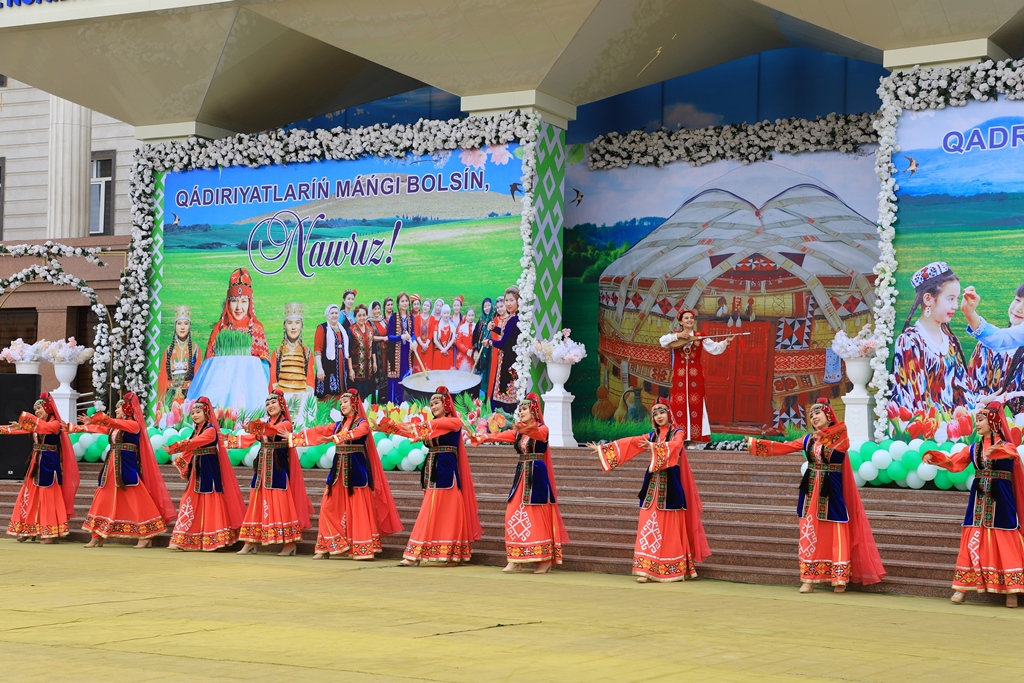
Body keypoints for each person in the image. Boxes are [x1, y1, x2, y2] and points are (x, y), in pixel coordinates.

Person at [747, 398, 885, 593]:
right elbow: (785, 446)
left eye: (818, 413)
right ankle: (809, 579)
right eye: (811, 415)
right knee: (809, 531)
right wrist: (755, 445)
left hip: (832, 490)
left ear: (828, 415)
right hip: (810, 491)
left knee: (836, 529)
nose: (814, 417)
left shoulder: (840, 437)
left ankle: (839, 578)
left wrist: (823, 435)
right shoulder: (808, 439)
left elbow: (840, 437)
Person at [587, 398, 710, 583]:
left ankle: (672, 569)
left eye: (662, 412)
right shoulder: (652, 436)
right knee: (648, 525)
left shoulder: (678, 433)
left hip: (670, 486)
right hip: (652, 485)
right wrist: (604, 450)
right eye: (655, 414)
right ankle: (645, 570)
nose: (659, 417)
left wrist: (654, 447)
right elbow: (631, 443)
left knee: (669, 527)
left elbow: (675, 446)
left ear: (669, 414)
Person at [922, 402, 1024, 607]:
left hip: (1001, 501)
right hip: (978, 500)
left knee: (1005, 539)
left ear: (993, 422)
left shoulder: (1008, 445)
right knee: (972, 540)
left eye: (981, 420)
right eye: (976, 420)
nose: (977, 424)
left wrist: (997, 452)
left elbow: (1010, 454)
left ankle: (1011, 591)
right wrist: (937, 459)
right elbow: (954, 463)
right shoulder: (973, 448)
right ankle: (962, 588)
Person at [378, 386, 481, 566]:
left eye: (436, 403)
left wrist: (399, 426)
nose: (433, 407)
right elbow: (414, 431)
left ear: (446, 404)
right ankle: (444, 553)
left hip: (446, 471)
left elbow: (426, 427)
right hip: (432, 469)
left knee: (443, 512)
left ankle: (420, 554)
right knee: (436, 511)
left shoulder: (453, 422)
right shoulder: (431, 425)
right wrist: (391, 428)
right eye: (431, 404)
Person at [295, 389, 403, 559]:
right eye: (341, 403)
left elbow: (356, 434)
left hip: (356, 473)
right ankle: (328, 545)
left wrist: (335, 438)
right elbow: (319, 431)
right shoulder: (338, 425)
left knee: (358, 510)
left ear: (353, 404)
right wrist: (294, 437)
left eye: (345, 402)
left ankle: (361, 548)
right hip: (337, 473)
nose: (342, 405)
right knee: (327, 506)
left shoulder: (362, 424)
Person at [473, 393, 569, 573]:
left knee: (537, 514)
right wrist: (482, 437)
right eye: (520, 409)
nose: (521, 412)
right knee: (512, 514)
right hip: (521, 474)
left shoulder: (543, 429)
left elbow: (538, 434)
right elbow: (500, 436)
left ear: (534, 411)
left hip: (536, 475)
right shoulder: (518, 431)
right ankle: (516, 557)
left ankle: (544, 559)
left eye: (525, 409)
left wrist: (525, 428)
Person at [76, 393, 177, 548]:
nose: (116, 410)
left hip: (125, 465)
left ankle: (146, 534)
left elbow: (112, 422)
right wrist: (76, 427)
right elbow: (101, 428)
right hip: (111, 466)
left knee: (137, 498)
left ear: (127, 409)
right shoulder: (115, 426)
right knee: (102, 496)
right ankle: (97, 535)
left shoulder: (133, 425)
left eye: (119, 407)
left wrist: (98, 418)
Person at [227, 390, 314, 556]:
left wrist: (253, 428)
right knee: (255, 503)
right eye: (267, 404)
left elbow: (271, 431)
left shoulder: (285, 424)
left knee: (282, 504)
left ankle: (289, 544)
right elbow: (251, 438)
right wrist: (230, 440)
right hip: (261, 470)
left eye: (273, 403)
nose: (270, 406)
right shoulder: (265, 423)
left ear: (281, 405)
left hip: (278, 470)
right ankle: (250, 542)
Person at [892, 262, 976, 415]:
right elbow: (912, 399)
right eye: (950, 299)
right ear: (928, 299)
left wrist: (973, 408)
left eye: (957, 299)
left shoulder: (951, 341)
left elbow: (963, 388)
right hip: (924, 426)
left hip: (954, 425)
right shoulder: (910, 341)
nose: (955, 306)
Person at [165, 397, 246, 551]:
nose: (195, 415)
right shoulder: (196, 431)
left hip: (209, 472)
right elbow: (191, 447)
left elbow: (194, 443)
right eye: (193, 413)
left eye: (198, 412)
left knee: (211, 502)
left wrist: (176, 447)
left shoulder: (210, 430)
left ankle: (214, 539)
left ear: (206, 413)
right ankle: (183, 538)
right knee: (188, 502)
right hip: (196, 472)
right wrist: (181, 460)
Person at [187, 268, 270, 413]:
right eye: (234, 301)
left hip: (248, 394)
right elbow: (209, 368)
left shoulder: (257, 329)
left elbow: (263, 371)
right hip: (222, 395)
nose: (239, 307)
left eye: (243, 301)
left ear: (250, 302)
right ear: (227, 302)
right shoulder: (220, 329)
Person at [0, 393, 78, 543]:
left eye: (39, 408)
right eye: (35, 410)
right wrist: (8, 428)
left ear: (47, 408)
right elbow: (17, 429)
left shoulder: (55, 423)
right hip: (36, 462)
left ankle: (50, 532)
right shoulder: (37, 424)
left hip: (49, 463)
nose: (37, 412)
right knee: (29, 494)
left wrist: (27, 420)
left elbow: (45, 428)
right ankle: (28, 529)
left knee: (48, 496)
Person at [658, 309, 730, 443]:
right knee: (678, 403)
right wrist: (679, 336)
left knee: (696, 403)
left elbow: (715, 348)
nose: (689, 320)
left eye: (691, 318)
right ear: (680, 322)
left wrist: (726, 341)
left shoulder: (699, 336)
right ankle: (679, 436)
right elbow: (662, 341)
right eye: (686, 318)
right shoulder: (674, 335)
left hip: (695, 376)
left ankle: (694, 437)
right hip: (679, 376)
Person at [269, 302, 314, 403]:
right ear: (284, 326)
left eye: (297, 323)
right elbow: (273, 381)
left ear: (302, 326)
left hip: (302, 400)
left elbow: (310, 383)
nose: (293, 327)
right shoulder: (277, 352)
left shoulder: (307, 352)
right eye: (289, 323)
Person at [158, 305, 203, 405]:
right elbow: (163, 379)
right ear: (175, 326)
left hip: (189, 401)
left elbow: (198, 380)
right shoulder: (168, 350)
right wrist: (161, 404)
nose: (182, 327)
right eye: (179, 323)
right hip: (170, 402)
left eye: (186, 323)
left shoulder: (195, 350)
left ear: (189, 326)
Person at [489, 287, 521, 414]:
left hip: (509, 362)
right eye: (506, 300)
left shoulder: (514, 319)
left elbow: (504, 343)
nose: (508, 303)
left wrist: (490, 342)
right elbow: (507, 334)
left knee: (505, 399)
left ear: (518, 301)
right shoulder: (512, 317)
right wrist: (495, 329)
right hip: (506, 361)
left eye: (511, 300)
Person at [314, 303, 350, 401]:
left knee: (342, 391)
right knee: (329, 394)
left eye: (336, 313)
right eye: (332, 313)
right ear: (327, 315)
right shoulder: (322, 328)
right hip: (328, 366)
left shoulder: (341, 328)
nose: (334, 315)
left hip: (342, 367)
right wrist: (320, 368)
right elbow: (317, 350)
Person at [386, 292, 416, 404]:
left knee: (406, 378)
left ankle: (406, 404)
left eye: (406, 301)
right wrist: (401, 337)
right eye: (402, 301)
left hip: (406, 354)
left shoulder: (410, 317)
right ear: (398, 303)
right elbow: (389, 337)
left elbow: (413, 333)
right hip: (395, 355)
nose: (405, 303)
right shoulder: (393, 317)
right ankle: (393, 405)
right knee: (395, 381)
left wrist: (414, 340)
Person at [347, 304, 377, 399]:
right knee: (358, 395)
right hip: (357, 369)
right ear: (355, 317)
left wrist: (374, 362)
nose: (362, 318)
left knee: (369, 394)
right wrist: (350, 369)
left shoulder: (369, 328)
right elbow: (348, 351)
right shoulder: (351, 330)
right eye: (359, 315)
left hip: (369, 368)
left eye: (364, 315)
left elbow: (373, 346)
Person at [369, 299, 390, 402]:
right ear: (371, 310)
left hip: (385, 352)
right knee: (376, 374)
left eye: (378, 309)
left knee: (385, 373)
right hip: (376, 352)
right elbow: (371, 337)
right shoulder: (369, 322)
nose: (377, 311)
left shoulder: (382, 320)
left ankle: (383, 397)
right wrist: (383, 338)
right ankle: (374, 400)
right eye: (375, 309)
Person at [474, 297, 494, 396]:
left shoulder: (495, 319)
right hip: (482, 353)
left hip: (491, 352)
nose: (487, 308)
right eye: (485, 306)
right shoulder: (481, 321)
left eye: (489, 305)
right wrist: (475, 350)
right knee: (483, 374)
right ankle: (483, 396)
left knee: (490, 374)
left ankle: (489, 396)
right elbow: (475, 336)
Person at [433, 304, 457, 370]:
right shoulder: (437, 325)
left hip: (449, 352)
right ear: (441, 314)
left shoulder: (452, 326)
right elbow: (435, 340)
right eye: (444, 313)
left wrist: (446, 349)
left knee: (448, 373)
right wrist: (442, 349)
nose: (446, 315)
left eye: (447, 313)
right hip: (439, 352)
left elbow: (453, 339)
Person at [414, 297, 433, 373]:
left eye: (427, 306)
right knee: (418, 367)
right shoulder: (417, 318)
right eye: (424, 305)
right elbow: (416, 332)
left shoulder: (432, 318)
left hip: (428, 346)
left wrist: (426, 344)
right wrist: (422, 344)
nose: (425, 307)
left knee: (427, 367)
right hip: (419, 345)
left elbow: (431, 333)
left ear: (430, 308)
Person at [455, 308, 476, 372]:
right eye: (469, 315)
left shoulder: (476, 326)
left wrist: (474, 350)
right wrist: (466, 350)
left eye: (472, 315)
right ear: (466, 316)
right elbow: (458, 342)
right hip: (462, 354)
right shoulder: (462, 327)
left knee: (472, 371)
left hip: (473, 355)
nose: (471, 317)